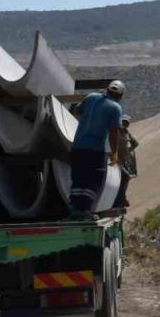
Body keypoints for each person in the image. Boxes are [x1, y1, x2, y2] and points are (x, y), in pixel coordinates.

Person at [68, 80, 125, 218]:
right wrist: (115, 153)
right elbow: (113, 132)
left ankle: (75, 210)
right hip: (94, 149)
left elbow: (77, 111)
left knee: (78, 178)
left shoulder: (91, 97)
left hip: (78, 146)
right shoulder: (115, 108)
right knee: (93, 179)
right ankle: (85, 210)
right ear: (120, 95)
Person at [116, 115, 139, 208]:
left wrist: (129, 149)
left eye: (126, 123)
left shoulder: (127, 133)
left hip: (125, 161)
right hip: (116, 160)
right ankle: (120, 200)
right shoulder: (115, 132)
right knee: (121, 179)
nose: (124, 124)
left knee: (125, 179)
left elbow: (135, 143)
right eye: (123, 122)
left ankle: (121, 199)